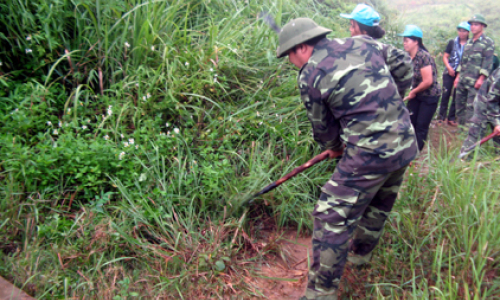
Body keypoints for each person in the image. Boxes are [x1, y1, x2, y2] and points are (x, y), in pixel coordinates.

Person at [276, 4, 418, 299]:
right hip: (405, 141)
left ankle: (320, 293)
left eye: (289, 55)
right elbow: (404, 63)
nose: (291, 61)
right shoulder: (363, 42)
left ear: (302, 47)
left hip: (370, 153)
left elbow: (323, 127)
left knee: (331, 218)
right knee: (380, 200)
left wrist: (334, 147)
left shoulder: (310, 73)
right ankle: (360, 256)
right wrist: (393, 103)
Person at [399, 25, 442, 151]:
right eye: (404, 40)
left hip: (429, 96)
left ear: (416, 41)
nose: (404, 43)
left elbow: (428, 81)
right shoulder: (407, 57)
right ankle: (407, 149)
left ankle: (415, 153)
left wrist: (413, 91)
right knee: (410, 122)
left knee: (421, 125)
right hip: (416, 94)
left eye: (407, 40)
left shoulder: (424, 56)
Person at [454, 14, 495, 127]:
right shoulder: (469, 43)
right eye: (471, 25)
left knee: (471, 106)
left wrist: (481, 79)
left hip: (475, 81)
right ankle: (460, 128)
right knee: (459, 104)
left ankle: (468, 131)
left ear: (482, 26)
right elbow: (462, 62)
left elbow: (488, 62)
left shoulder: (488, 42)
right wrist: (457, 77)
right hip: (463, 79)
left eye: (476, 25)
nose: (473, 27)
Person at [437, 22, 470, 126]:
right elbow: (445, 56)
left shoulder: (470, 44)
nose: (461, 33)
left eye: (464, 31)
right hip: (449, 71)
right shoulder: (452, 42)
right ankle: (441, 117)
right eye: (460, 30)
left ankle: (451, 118)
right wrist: (449, 68)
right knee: (445, 94)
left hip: (463, 73)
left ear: (468, 32)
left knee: (457, 95)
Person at [461, 68, 500, 155]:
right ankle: (464, 158)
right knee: (476, 134)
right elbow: (492, 100)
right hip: (485, 103)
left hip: (497, 104)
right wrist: (497, 123)